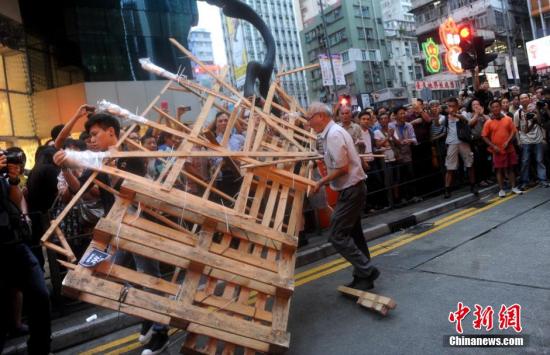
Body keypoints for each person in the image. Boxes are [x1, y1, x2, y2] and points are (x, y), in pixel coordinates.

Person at [307, 102, 380, 291]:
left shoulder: (333, 134)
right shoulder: (330, 134)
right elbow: (333, 160)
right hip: (350, 189)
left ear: (321, 116)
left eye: (310, 118)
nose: (308, 122)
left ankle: (367, 270)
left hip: (351, 189)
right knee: (355, 235)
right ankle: (363, 276)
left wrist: (320, 183)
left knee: (336, 234)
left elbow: (342, 168)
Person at [0, 151, 52, 354]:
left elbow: (14, 199)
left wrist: (13, 180)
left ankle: (40, 349)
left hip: (14, 245)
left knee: (40, 295)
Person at [482, 100, 523, 197]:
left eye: (497, 106)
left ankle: (513, 187)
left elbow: (513, 131)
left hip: (509, 148)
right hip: (497, 150)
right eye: (493, 107)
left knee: (511, 168)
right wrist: (493, 146)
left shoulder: (508, 119)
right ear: (491, 109)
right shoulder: (488, 122)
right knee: (499, 170)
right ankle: (501, 189)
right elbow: (484, 136)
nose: (495, 108)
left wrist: (508, 141)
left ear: (500, 107)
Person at [438, 97, 477, 198]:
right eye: (449, 106)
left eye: (452, 106)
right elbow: (437, 123)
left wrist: (455, 115)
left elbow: (466, 120)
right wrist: (435, 116)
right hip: (451, 143)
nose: (450, 108)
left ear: (457, 106)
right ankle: (447, 190)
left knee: (469, 164)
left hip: (463, 142)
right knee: (450, 167)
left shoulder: (462, 114)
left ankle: (473, 185)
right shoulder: (445, 117)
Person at [513, 94, 549, 188]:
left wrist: (536, 113)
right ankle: (525, 181)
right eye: (522, 98)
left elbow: (542, 123)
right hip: (525, 140)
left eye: (526, 97)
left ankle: (542, 179)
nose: (524, 99)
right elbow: (516, 128)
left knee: (540, 160)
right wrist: (518, 140)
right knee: (525, 161)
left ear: (529, 99)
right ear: (520, 101)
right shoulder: (518, 113)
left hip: (538, 139)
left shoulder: (536, 110)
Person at [389, 106, 417, 202]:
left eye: (404, 113)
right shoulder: (391, 126)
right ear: (395, 115)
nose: (403, 115)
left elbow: (414, 138)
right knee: (399, 178)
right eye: (400, 113)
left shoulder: (409, 125)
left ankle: (412, 196)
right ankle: (402, 198)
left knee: (410, 175)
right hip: (397, 155)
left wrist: (410, 140)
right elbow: (391, 141)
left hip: (407, 154)